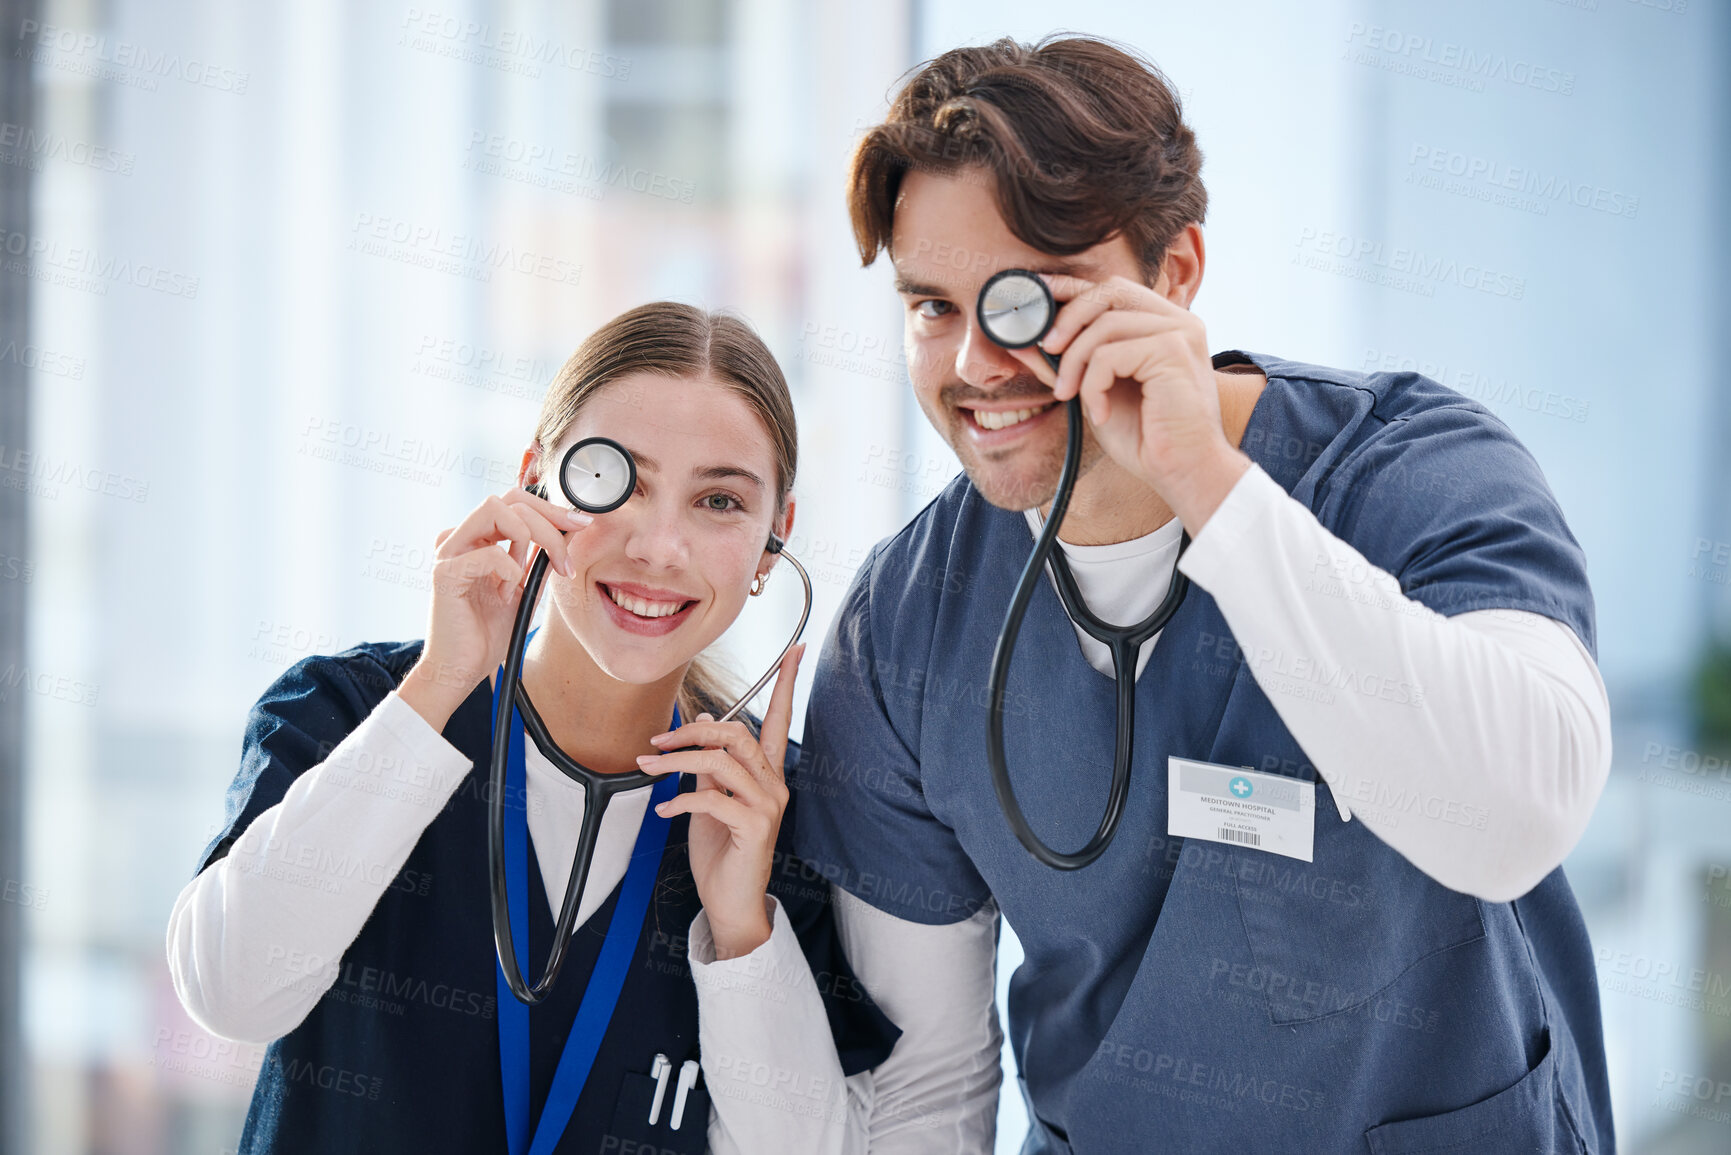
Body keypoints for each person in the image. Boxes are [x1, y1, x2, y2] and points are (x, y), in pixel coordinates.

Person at [712, 35, 1615, 1153]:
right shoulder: (908, 624)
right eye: (931, 308)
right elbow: (930, 1089)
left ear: (1175, 273)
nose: (974, 366)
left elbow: (1518, 818)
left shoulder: (1416, 474)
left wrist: (1208, 485)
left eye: (1025, 301)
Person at [165, 302, 898, 1154]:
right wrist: (436, 690)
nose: (660, 547)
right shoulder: (353, 710)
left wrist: (739, 930)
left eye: (719, 499)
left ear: (775, 541)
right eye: (614, 477)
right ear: (536, 478)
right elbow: (229, 993)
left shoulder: (774, 823)